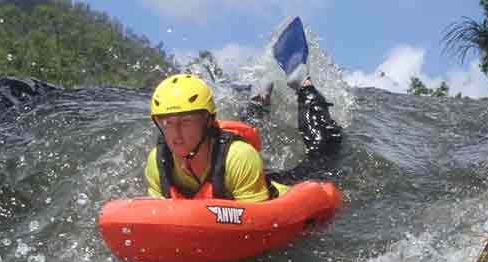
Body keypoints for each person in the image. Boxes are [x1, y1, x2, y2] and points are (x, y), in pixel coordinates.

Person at [144, 73, 341, 201]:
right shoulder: (158, 161)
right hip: (234, 180)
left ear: (208, 121)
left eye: (185, 122)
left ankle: (305, 87)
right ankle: (259, 100)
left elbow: (261, 225)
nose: (176, 134)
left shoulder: (239, 157)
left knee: (322, 155)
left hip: (269, 184)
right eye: (168, 123)